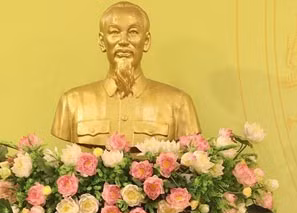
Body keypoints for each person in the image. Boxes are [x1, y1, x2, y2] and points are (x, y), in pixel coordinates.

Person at [51, 2, 200, 146]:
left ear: (146, 41)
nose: (123, 41)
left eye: (133, 32)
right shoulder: (72, 102)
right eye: (114, 32)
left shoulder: (179, 104)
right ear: (102, 41)